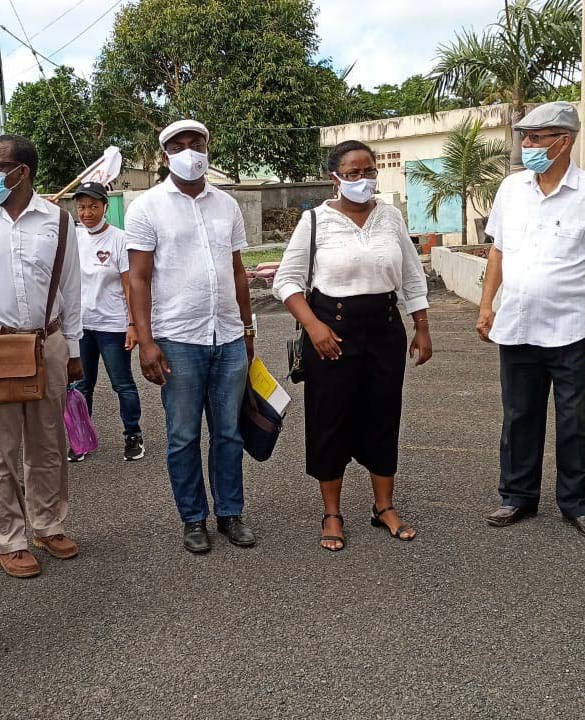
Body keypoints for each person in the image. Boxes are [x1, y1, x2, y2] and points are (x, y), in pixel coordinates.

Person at [476, 102, 585, 541]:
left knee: (572, 420)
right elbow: (498, 250)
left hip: (571, 331)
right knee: (518, 416)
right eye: (524, 137)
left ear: (564, 142)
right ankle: (517, 496)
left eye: (536, 138)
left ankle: (577, 505)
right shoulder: (511, 189)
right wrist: (486, 305)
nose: (526, 145)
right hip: (519, 325)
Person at [272, 140, 432, 552]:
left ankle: (384, 506)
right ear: (335, 178)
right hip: (331, 332)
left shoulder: (391, 217)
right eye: (353, 173)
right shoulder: (314, 221)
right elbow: (286, 281)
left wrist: (422, 326)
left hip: (384, 329)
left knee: (383, 415)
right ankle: (332, 513)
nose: (363, 179)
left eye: (369, 171)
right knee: (330, 419)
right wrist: (314, 327)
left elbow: (412, 276)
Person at [125, 119, 255, 554]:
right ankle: (193, 518)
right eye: (178, 146)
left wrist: (247, 327)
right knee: (183, 435)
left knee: (229, 433)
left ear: (207, 148)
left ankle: (230, 513)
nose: (188, 152)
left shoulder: (227, 205)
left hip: (228, 335)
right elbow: (138, 279)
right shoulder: (146, 207)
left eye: (195, 143)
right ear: (165, 156)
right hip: (178, 338)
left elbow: (238, 270)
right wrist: (146, 342)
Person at [0, 134, 83, 579]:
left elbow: (72, 287)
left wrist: (73, 348)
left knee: (48, 443)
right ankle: (9, 540)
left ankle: (48, 524)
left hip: (48, 341)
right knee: (2, 449)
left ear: (21, 171)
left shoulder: (58, 221)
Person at [73, 181, 143, 463]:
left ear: (105, 207)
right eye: (81, 207)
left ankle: (133, 435)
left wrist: (132, 324)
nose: (87, 213)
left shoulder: (119, 239)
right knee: (81, 385)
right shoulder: (74, 237)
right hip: (81, 325)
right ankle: (80, 438)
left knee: (122, 384)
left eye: (93, 206)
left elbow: (129, 286)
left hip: (112, 326)